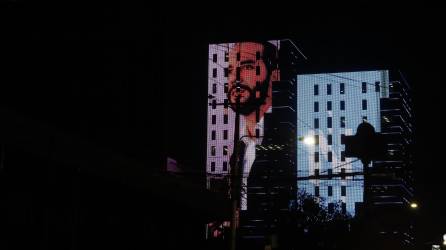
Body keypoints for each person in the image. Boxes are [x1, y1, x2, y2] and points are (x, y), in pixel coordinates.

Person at [226, 41, 279, 210]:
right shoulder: (238, 148)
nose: (236, 78)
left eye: (248, 67)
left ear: (274, 75)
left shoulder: (283, 134)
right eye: (230, 71)